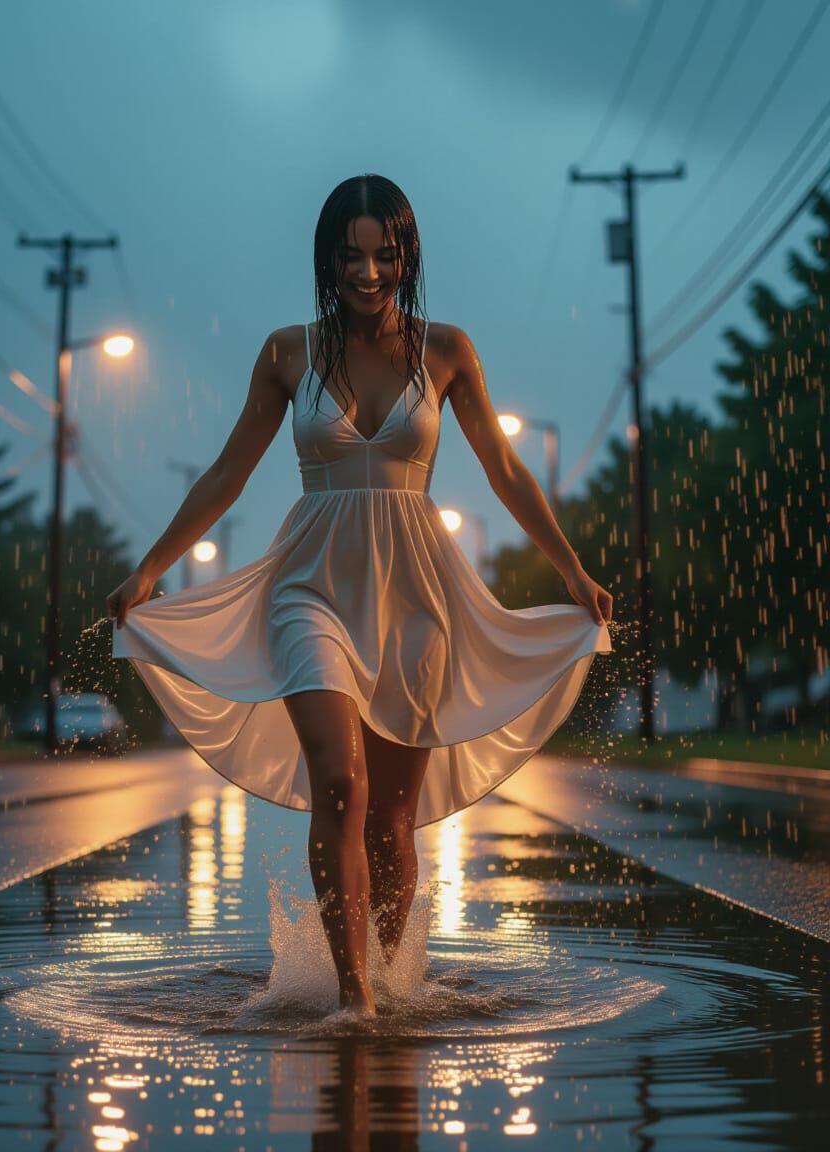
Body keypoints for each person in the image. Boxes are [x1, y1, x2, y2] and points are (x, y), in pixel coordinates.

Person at [107, 174, 613, 1017]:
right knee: (339, 784)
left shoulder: (447, 351)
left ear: (408, 256)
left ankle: (386, 971)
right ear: (327, 261)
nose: (368, 272)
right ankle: (356, 1001)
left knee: (391, 822)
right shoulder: (286, 354)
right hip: (310, 586)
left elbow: (505, 467)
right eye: (351, 256)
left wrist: (569, 569)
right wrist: (152, 567)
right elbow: (230, 473)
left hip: (419, 600)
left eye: (385, 255)